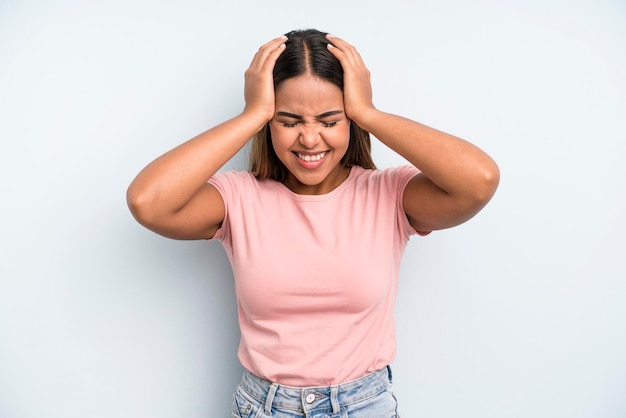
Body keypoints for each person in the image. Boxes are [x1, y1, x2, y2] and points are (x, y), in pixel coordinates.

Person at [127, 29, 499, 418]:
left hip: (365, 406)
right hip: (264, 408)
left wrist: (368, 113)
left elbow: (479, 180)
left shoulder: (388, 194)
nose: (309, 139)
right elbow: (148, 202)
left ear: (350, 120)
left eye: (329, 120)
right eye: (288, 121)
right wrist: (252, 114)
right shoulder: (239, 198)